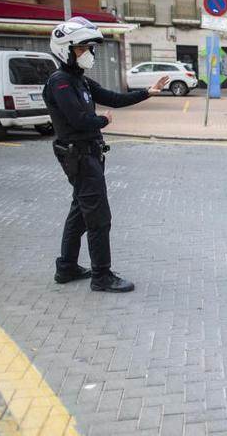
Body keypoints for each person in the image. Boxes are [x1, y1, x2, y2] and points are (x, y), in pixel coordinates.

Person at [44, 17, 168, 293]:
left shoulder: (80, 81)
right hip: (79, 157)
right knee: (99, 218)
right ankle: (101, 276)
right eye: (82, 48)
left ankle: (66, 267)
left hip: (88, 156)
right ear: (65, 49)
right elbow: (78, 120)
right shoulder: (60, 83)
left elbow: (114, 98)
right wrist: (103, 121)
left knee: (79, 212)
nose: (89, 53)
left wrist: (148, 92)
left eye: (90, 48)